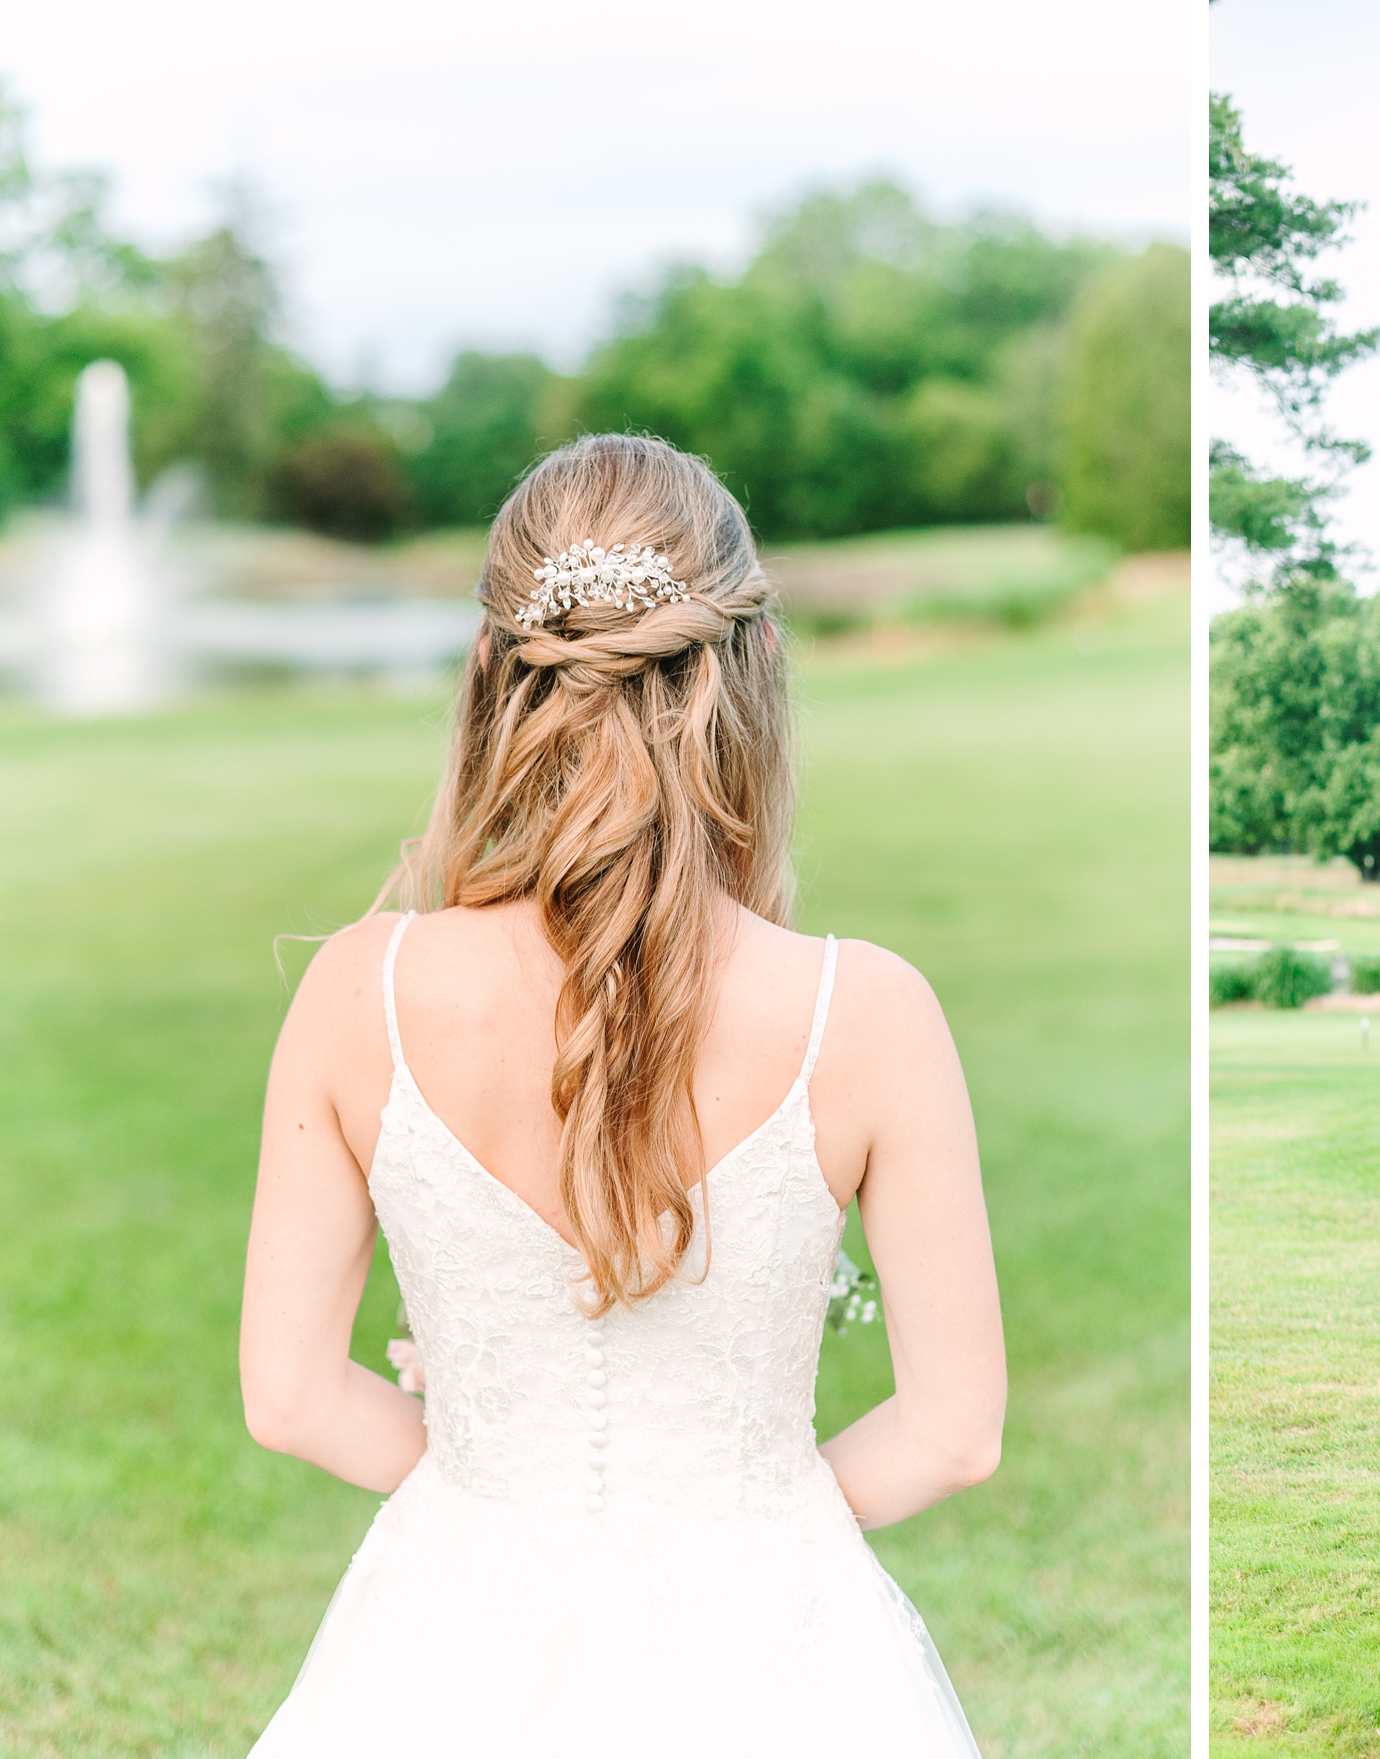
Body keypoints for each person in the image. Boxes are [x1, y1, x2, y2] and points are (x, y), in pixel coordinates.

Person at [238, 435, 1004, 1753]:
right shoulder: (868, 1014)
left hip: (454, 1641)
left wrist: (500, 1473)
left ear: (492, 674)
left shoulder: (360, 991)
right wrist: (738, 1516)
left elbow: (292, 1397)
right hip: (774, 1648)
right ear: (754, 668)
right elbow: (952, 1435)